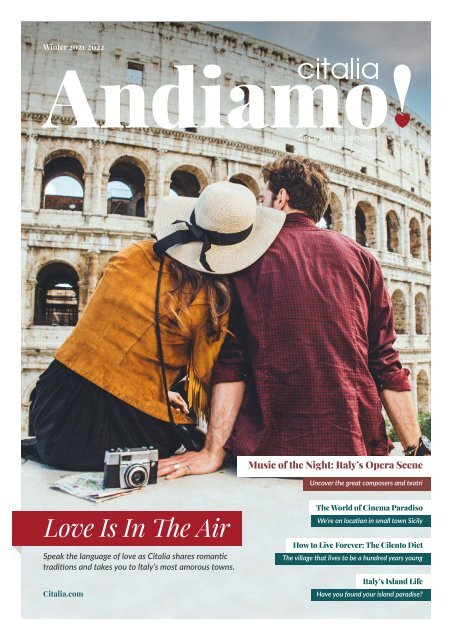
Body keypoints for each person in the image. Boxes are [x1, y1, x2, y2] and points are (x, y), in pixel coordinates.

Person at [158, 156, 429, 480]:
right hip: (355, 451)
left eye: (264, 198)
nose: (262, 205)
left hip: (269, 453)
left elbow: (233, 364)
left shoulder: (245, 258)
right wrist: (415, 450)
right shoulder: (362, 259)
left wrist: (212, 451)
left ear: (281, 198)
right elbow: (385, 362)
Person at [26, 181, 285, 472]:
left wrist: (152, 389)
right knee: (182, 429)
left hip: (52, 411)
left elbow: (110, 338)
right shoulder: (210, 300)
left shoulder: (131, 254)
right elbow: (209, 378)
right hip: (111, 435)